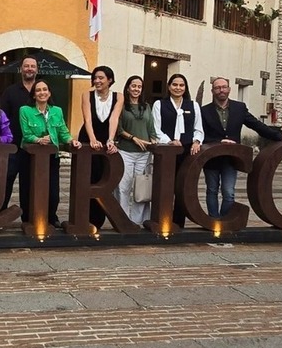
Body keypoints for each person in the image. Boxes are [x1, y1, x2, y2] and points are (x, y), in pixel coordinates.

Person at [201, 77, 282, 218]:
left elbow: (256, 125)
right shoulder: (204, 111)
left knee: (229, 192)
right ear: (212, 90)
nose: (221, 90)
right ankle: (213, 221)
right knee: (212, 190)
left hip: (231, 159)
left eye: (224, 87)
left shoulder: (239, 108)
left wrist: (279, 137)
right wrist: (218, 141)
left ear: (229, 89)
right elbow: (200, 134)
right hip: (211, 159)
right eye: (217, 87)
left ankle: (224, 222)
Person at [19, 79, 81, 228]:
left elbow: (62, 131)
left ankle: (51, 218)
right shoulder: (25, 110)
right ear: (34, 95)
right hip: (30, 156)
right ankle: (28, 219)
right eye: (38, 90)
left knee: (53, 191)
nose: (42, 92)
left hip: (51, 157)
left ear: (49, 93)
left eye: (45, 89)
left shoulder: (57, 111)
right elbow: (26, 134)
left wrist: (71, 141)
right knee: (29, 188)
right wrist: (38, 140)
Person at [152, 73, 203, 228]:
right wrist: (168, 141)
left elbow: (198, 128)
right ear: (169, 86)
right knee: (165, 187)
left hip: (187, 152)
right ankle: (162, 220)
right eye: (175, 84)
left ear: (185, 87)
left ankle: (178, 223)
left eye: (181, 85)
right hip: (166, 151)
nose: (178, 88)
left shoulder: (193, 105)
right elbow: (156, 128)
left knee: (182, 187)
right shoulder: (159, 104)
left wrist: (196, 141)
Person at [78, 65, 123, 229]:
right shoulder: (87, 95)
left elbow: (114, 119)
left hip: (105, 140)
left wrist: (110, 139)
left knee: (103, 178)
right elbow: (87, 119)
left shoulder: (118, 97)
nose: (97, 81)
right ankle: (84, 218)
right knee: (87, 178)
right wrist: (92, 139)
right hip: (88, 138)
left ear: (109, 80)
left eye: (101, 78)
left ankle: (98, 219)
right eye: (95, 78)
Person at [115, 75, 157, 225]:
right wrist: (133, 138)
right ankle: (123, 221)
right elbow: (118, 129)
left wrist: (153, 141)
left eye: (139, 87)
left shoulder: (146, 106)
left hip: (144, 154)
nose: (136, 89)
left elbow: (151, 128)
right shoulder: (121, 106)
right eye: (133, 86)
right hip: (125, 151)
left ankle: (137, 221)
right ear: (128, 87)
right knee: (123, 187)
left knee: (141, 189)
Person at [0, 56, 38, 219]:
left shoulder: (42, 90)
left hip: (35, 147)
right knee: (6, 180)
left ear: (37, 70)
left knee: (29, 183)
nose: (29, 68)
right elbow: (2, 117)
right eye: (26, 66)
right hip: (14, 146)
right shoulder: (11, 91)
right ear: (21, 69)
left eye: (32, 66)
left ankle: (28, 218)